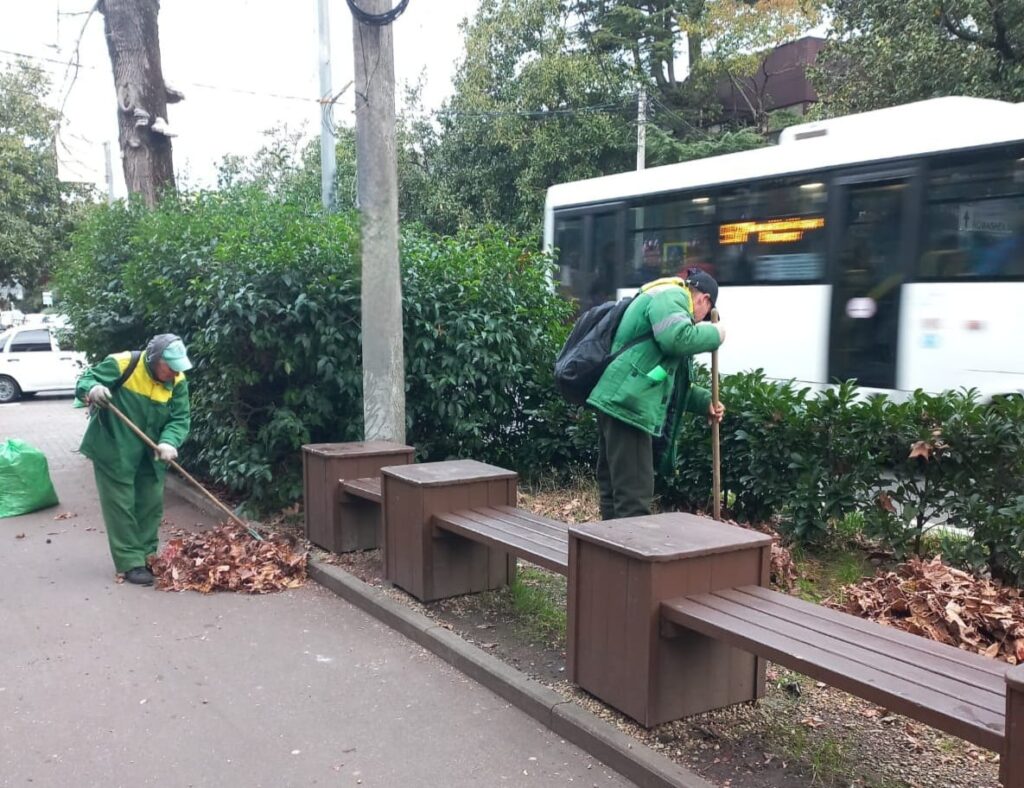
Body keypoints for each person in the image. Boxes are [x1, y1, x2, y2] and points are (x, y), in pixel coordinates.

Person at [587, 270, 725, 520]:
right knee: (633, 497)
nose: (699, 322)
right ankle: (628, 555)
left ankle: (607, 553)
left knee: (614, 491)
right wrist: (716, 334)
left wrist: (705, 401)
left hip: (622, 400)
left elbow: (661, 376)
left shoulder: (666, 300)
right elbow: (677, 339)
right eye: (705, 317)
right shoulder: (671, 295)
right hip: (629, 407)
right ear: (704, 299)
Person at [75, 334, 192, 585]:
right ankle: (131, 562)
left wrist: (169, 441)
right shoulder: (123, 363)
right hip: (114, 448)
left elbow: (180, 418)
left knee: (150, 504)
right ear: (154, 358)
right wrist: (93, 389)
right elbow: (86, 379)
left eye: (177, 366)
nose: (174, 372)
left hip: (151, 454)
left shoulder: (178, 379)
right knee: (121, 505)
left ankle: (148, 556)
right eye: (169, 366)